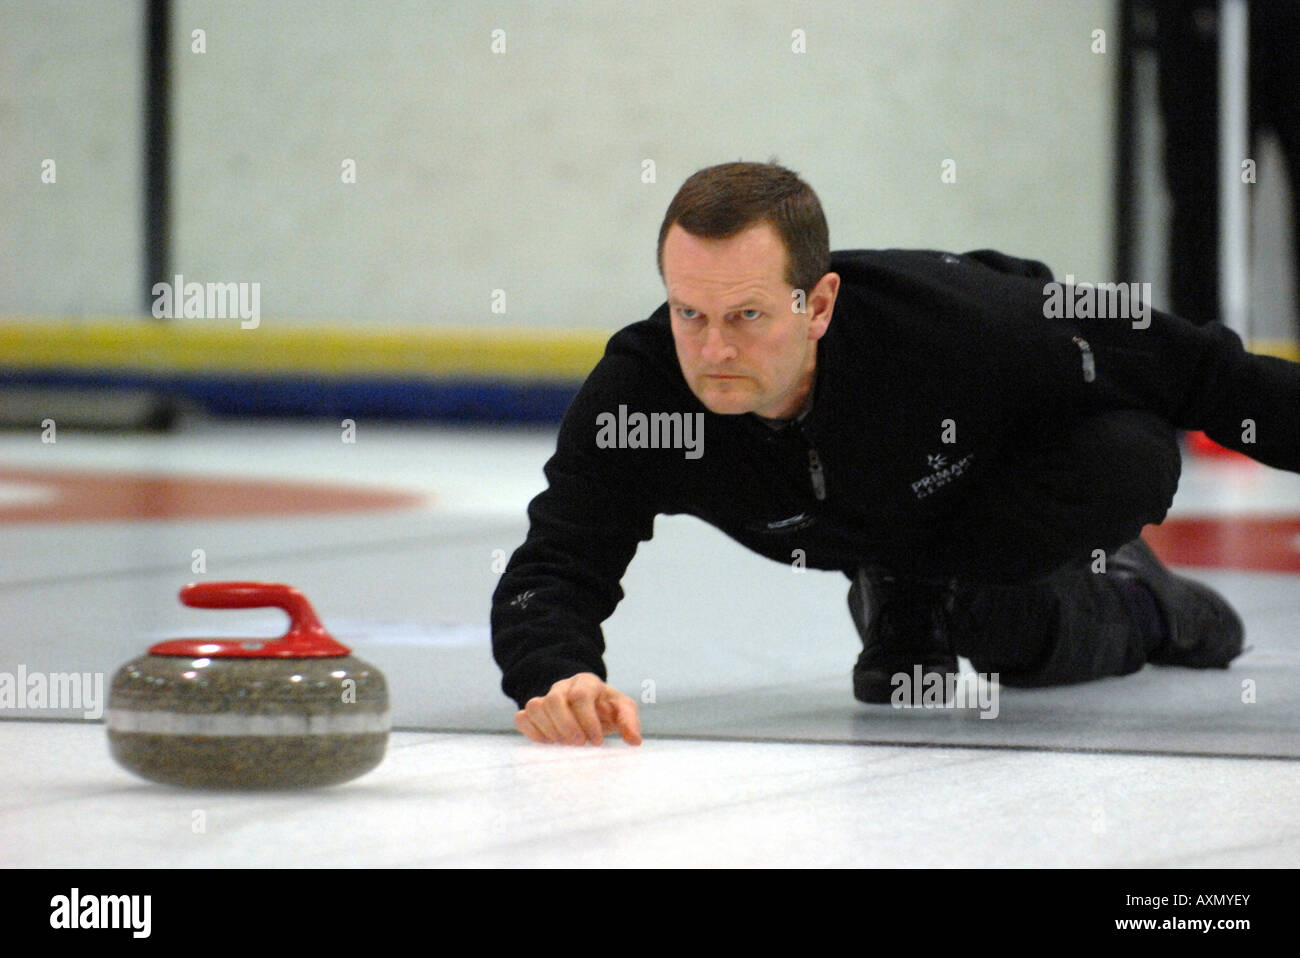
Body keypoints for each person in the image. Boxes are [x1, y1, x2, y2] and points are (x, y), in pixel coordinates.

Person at [491, 161, 1300, 746]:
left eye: (747, 315)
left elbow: (1208, 374)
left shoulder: (957, 325)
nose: (712, 350)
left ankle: (1149, 607)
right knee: (971, 632)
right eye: (688, 312)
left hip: (1018, 476)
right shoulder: (642, 397)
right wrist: (559, 674)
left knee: (1119, 469)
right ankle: (908, 594)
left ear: (821, 304)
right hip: (873, 519)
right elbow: (556, 564)